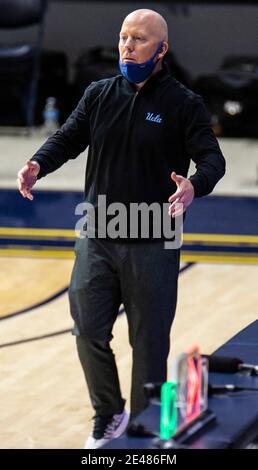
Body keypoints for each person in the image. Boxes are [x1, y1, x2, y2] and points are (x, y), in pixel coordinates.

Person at [17, 9, 225, 449]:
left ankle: (145, 430)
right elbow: (69, 138)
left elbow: (212, 160)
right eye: (123, 37)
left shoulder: (183, 104)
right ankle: (109, 414)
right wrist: (39, 163)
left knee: (148, 345)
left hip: (152, 239)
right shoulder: (99, 94)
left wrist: (194, 185)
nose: (127, 46)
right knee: (88, 330)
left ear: (161, 50)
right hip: (97, 234)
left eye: (139, 39)